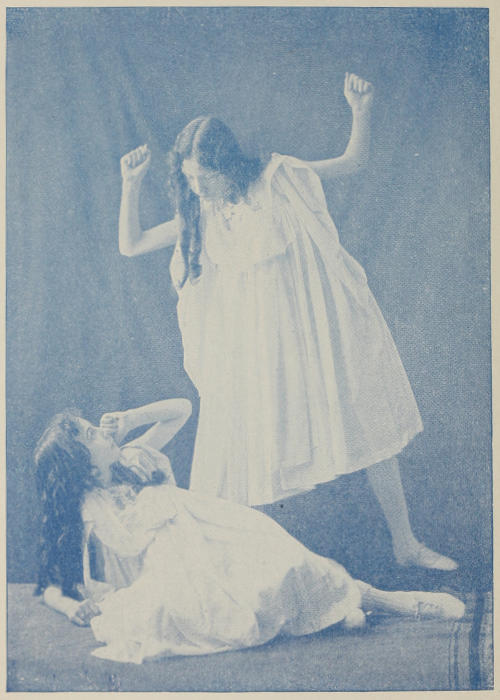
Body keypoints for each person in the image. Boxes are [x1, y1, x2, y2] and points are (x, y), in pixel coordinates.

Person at [118, 72, 457, 571]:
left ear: (227, 164)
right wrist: (130, 185)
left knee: (364, 417)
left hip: (312, 334)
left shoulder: (278, 178)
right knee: (242, 450)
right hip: (256, 352)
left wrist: (360, 111)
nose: (197, 186)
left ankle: (405, 544)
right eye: (189, 178)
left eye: (205, 175)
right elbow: (131, 245)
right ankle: (234, 568)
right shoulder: (202, 214)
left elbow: (351, 162)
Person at [35, 400, 464, 664]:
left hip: (217, 531)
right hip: (177, 564)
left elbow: (182, 409)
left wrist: (132, 418)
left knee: (286, 564)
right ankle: (341, 613)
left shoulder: (135, 456)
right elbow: (53, 582)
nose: (101, 431)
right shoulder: (90, 507)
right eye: (91, 435)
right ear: (82, 465)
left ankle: (393, 602)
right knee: (221, 608)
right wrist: (69, 606)